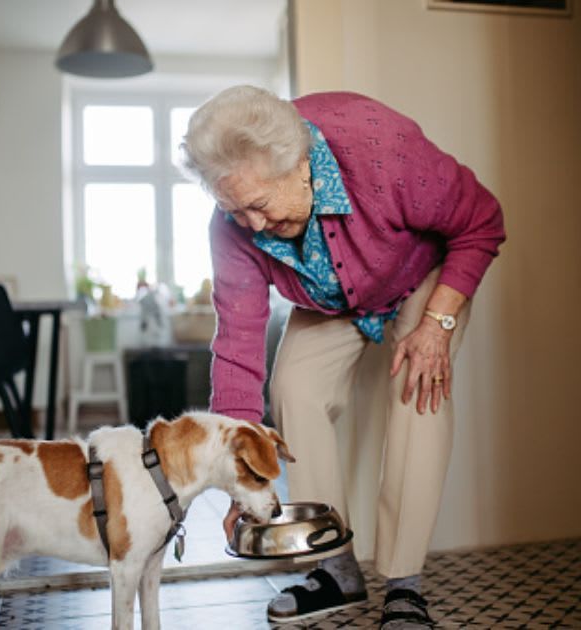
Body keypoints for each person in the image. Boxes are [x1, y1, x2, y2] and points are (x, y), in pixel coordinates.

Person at [181, 86, 505, 628]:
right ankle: (334, 570)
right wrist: (240, 473)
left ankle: (404, 586)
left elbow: (482, 222)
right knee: (294, 389)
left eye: (259, 206)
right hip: (329, 295)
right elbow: (236, 348)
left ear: (300, 164)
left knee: (417, 390)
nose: (252, 226)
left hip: (419, 275)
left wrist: (437, 323)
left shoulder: (384, 152)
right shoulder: (234, 224)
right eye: (233, 210)